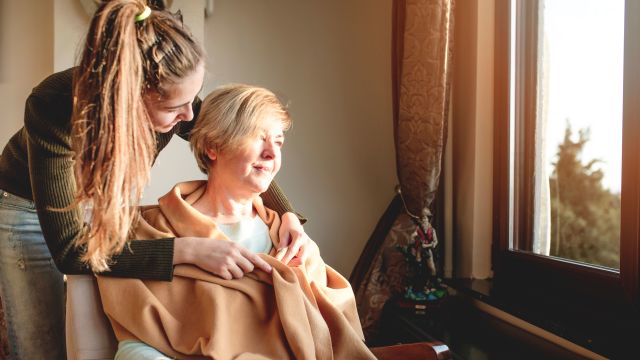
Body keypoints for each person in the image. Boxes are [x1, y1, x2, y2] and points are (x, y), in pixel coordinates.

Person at [0, 1, 307, 359]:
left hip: (94, 203)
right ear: (129, 97)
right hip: (25, 209)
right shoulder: (53, 105)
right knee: (43, 347)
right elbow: (71, 252)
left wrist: (286, 213)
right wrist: (190, 249)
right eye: (175, 108)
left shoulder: (177, 96)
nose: (189, 116)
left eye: (193, 99)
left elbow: (229, 142)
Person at [97, 84, 374, 360]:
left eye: (278, 142)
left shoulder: (289, 240)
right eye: (257, 137)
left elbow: (333, 337)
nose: (271, 154)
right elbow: (136, 346)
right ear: (213, 147)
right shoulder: (156, 229)